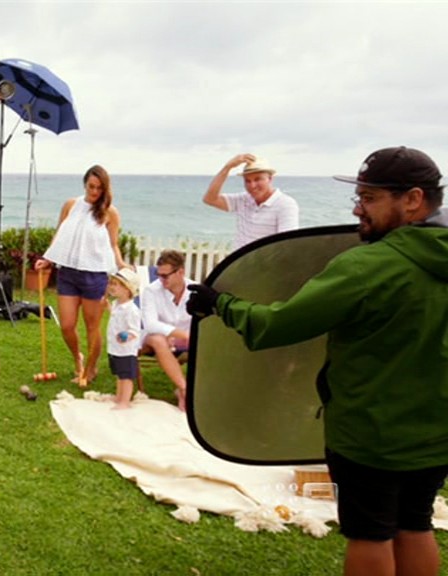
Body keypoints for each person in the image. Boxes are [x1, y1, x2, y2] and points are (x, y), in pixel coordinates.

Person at [187, 146, 447, 576]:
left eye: (369, 198)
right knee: (415, 523)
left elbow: (276, 325)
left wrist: (220, 303)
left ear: (413, 200)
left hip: (371, 435)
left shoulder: (368, 266)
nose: (358, 209)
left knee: (371, 533)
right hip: (437, 434)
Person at [35, 165, 127, 387]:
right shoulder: (71, 205)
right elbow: (60, 235)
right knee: (67, 325)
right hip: (67, 273)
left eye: (99, 188)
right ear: (85, 184)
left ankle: (91, 369)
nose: (94, 191)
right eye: (91, 186)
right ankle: (78, 358)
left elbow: (113, 244)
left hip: (94, 276)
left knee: (92, 327)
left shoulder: (110, 212)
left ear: (105, 189)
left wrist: (121, 264)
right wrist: (48, 258)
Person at [203, 153, 299, 249]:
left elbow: (286, 244)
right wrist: (227, 167)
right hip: (241, 258)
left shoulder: (285, 204)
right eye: (247, 181)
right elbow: (209, 199)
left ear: (270, 178)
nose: (252, 186)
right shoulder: (243, 199)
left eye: (257, 179)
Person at [141, 249, 193, 411]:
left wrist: (186, 337)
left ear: (180, 272)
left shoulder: (195, 290)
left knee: (207, 342)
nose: (161, 279)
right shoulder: (151, 291)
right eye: (158, 275)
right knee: (158, 339)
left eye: (165, 276)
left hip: (187, 340)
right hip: (154, 338)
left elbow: (204, 322)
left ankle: (185, 390)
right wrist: (180, 334)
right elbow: (150, 324)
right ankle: (184, 389)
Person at [105, 267, 141, 409]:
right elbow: (116, 317)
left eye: (115, 284)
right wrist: (108, 308)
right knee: (120, 375)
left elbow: (135, 330)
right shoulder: (116, 304)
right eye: (111, 283)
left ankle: (124, 401)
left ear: (127, 290)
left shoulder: (132, 310)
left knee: (126, 377)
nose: (111, 287)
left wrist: (127, 335)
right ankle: (118, 396)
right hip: (115, 348)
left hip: (126, 350)